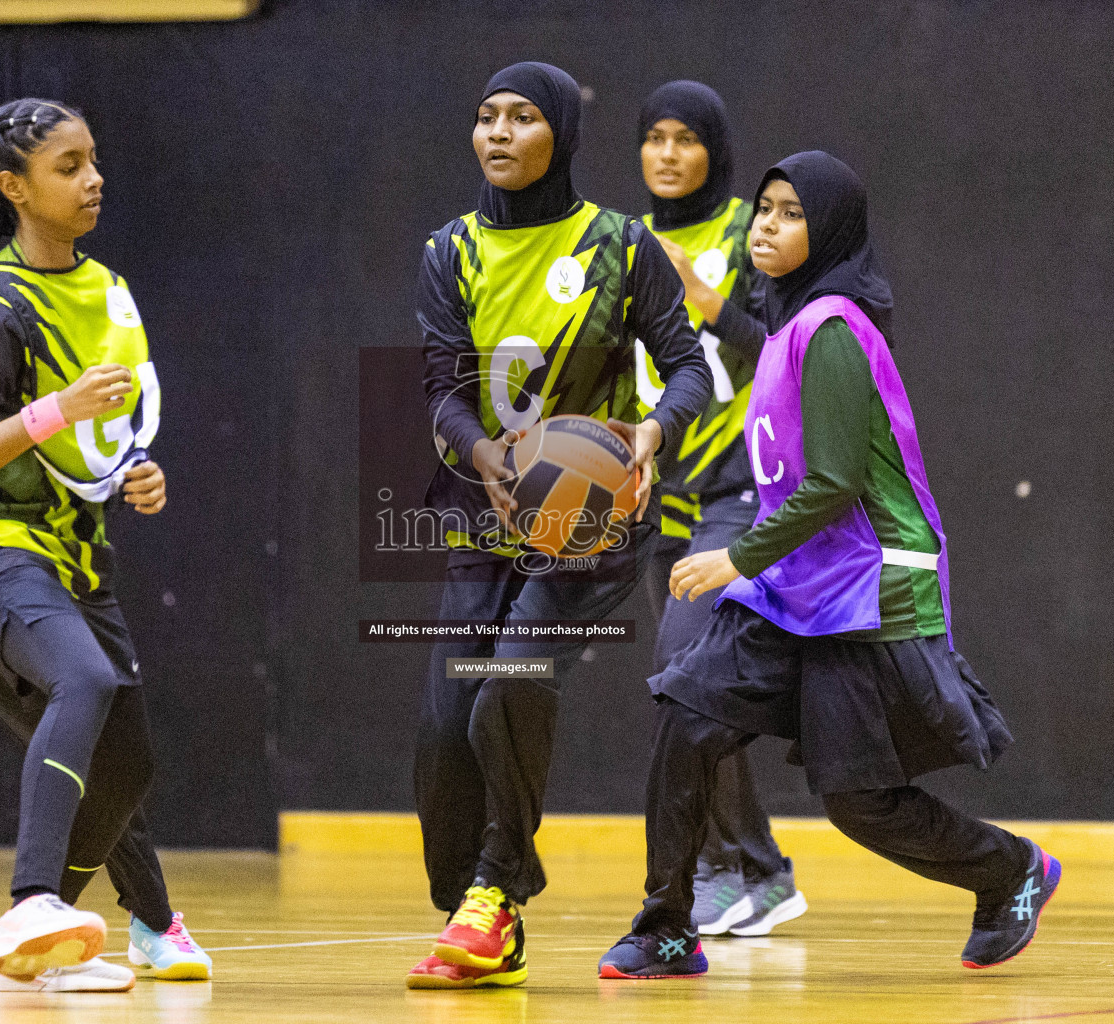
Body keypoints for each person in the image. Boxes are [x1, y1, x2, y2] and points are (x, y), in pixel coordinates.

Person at [597, 151, 1058, 979]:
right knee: (686, 713)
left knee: (858, 803)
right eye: (763, 210)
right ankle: (667, 925)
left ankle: (1010, 870)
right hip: (798, 589)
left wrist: (732, 559)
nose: (766, 226)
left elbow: (838, 485)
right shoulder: (781, 330)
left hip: (867, 593)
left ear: (831, 231)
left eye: (789, 213)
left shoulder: (833, 327)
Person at [409, 61, 711, 989]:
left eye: (523, 116)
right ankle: (482, 897)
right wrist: (488, 456)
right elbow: (441, 390)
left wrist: (652, 431)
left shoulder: (622, 244)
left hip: (594, 524)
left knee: (511, 683)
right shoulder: (449, 251)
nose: (499, 133)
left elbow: (688, 364)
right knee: (443, 731)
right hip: (487, 516)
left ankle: (496, 897)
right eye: (485, 116)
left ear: (562, 138)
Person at [0, 99, 208, 992]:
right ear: (14, 188)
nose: (93, 180)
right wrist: (55, 410)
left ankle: (45, 942)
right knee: (80, 681)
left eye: (94, 161)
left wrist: (137, 474)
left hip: (75, 553)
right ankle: (32, 898)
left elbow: (103, 442)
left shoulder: (109, 288)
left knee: (127, 767)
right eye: (68, 166)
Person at [635, 79, 803, 938]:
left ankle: (729, 872)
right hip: (659, 504)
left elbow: (794, 348)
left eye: (685, 138)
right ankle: (757, 872)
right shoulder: (622, 244)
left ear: (714, 150)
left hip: (740, 490)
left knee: (689, 682)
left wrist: (712, 307)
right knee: (684, 690)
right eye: (654, 137)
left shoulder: (750, 230)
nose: (668, 153)